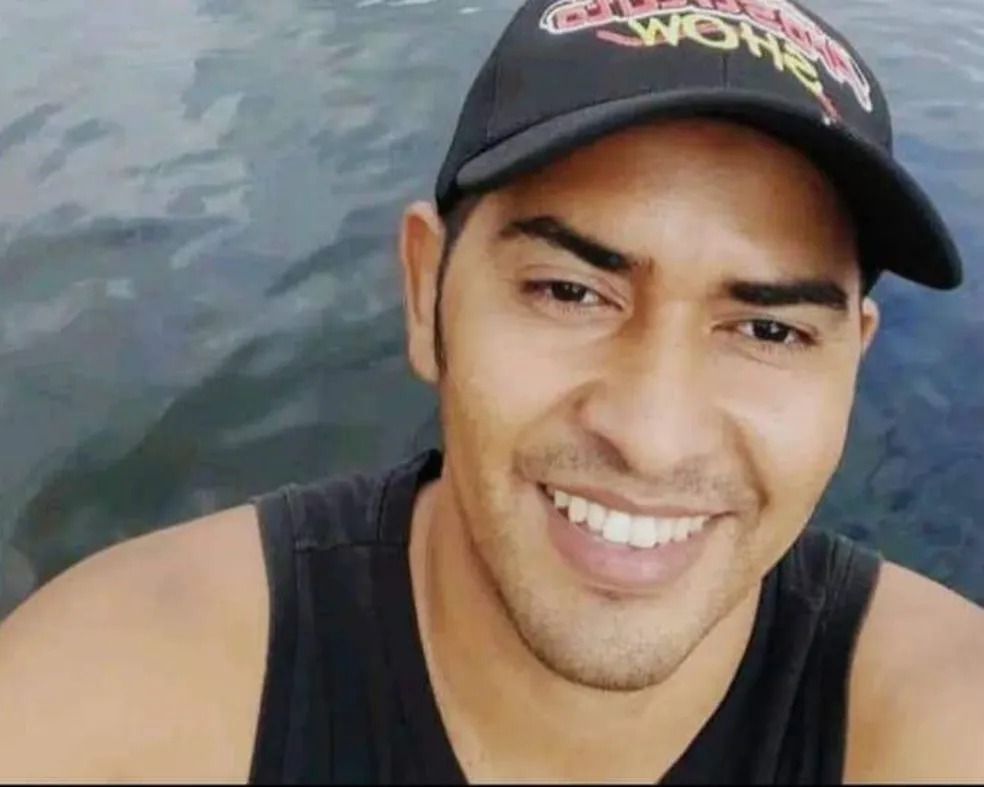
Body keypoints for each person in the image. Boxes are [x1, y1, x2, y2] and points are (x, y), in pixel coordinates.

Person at [1, 0, 982, 782]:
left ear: (851, 359)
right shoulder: (118, 693)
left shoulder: (943, 722)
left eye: (769, 330)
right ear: (425, 291)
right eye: (569, 291)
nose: (652, 436)